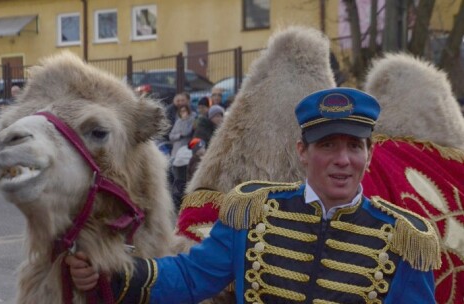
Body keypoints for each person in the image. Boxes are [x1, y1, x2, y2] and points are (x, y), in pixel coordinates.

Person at [66, 87, 440, 303]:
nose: (343, 160)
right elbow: (192, 276)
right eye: (327, 145)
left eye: (354, 147)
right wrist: (114, 272)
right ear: (302, 151)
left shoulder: (405, 239)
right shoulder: (254, 211)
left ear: (369, 155)